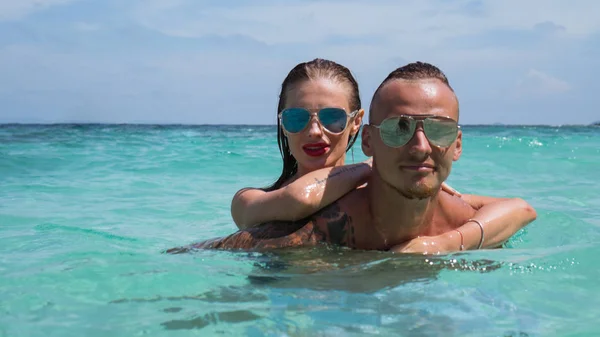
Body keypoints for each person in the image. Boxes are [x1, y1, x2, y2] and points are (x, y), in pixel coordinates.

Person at [184, 60, 536, 254]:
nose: (315, 131)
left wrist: (442, 240)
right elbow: (298, 198)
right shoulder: (256, 200)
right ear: (282, 124)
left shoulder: (391, 183)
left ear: (357, 125)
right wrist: (373, 167)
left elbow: (518, 208)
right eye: (297, 118)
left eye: (332, 118)